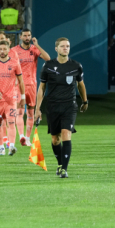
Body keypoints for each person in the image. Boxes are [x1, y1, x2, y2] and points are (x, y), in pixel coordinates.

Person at [35, 38, 88, 178]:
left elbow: (80, 85)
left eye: (68, 46)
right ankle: (60, 163)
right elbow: (42, 88)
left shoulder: (76, 66)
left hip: (69, 106)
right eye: (63, 46)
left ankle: (64, 169)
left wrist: (85, 101)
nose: (66, 48)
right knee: (55, 139)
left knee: (66, 134)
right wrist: (37, 108)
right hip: (52, 106)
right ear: (56, 49)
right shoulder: (48, 66)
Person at [13, 29, 50, 147]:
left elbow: (47, 58)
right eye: (25, 35)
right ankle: (21, 136)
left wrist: (37, 45)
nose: (27, 37)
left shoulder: (34, 49)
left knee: (30, 112)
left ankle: (27, 139)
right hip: (18, 85)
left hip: (32, 85)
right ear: (20, 37)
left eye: (29, 35)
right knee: (19, 111)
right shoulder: (14, 51)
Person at [0, 40, 25, 156]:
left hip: (11, 99)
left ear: (9, 50)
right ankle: (1, 148)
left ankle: (11, 146)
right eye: (0, 49)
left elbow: (21, 81)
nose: (2, 51)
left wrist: (23, 96)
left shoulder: (15, 63)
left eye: (5, 49)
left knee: (11, 123)